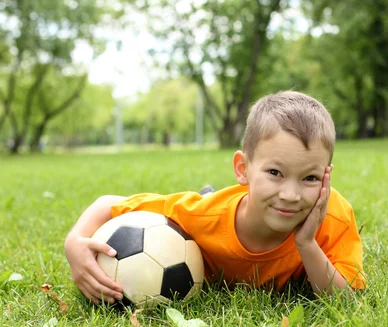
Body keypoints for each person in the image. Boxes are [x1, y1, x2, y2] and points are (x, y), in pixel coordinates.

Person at [64, 91, 367, 304]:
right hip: (217, 205)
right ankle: (214, 190)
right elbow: (107, 203)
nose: (291, 195)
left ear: (326, 175)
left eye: (310, 178)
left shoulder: (334, 216)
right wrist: (73, 242)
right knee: (208, 200)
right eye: (275, 172)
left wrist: (306, 243)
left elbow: (344, 302)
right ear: (243, 168)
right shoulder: (199, 215)